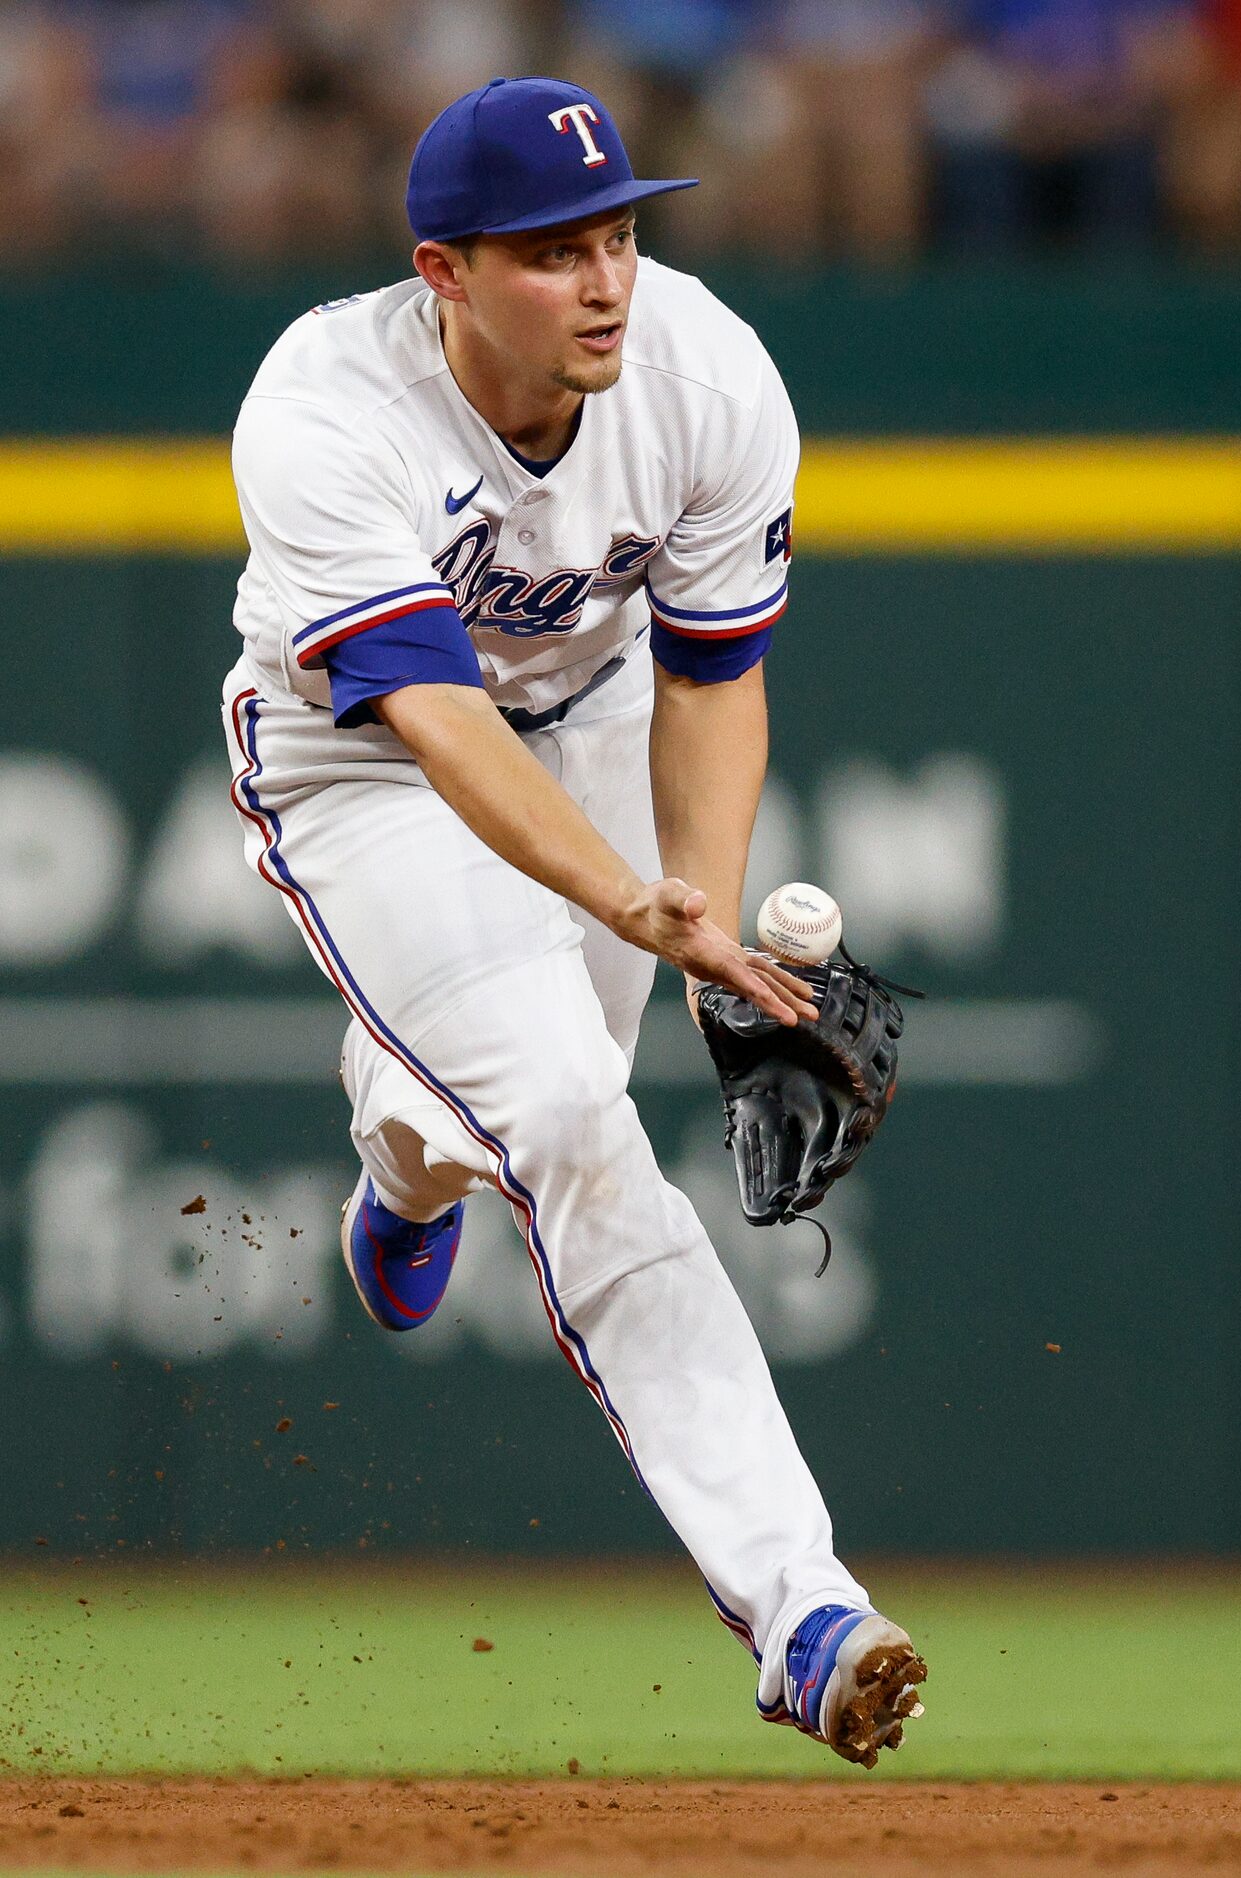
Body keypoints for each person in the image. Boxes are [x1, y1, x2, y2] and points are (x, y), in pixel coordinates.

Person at [222, 74, 926, 1767]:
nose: (605, 279)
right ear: (444, 272)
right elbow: (441, 722)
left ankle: (399, 1171)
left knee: (520, 1107)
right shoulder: (326, 405)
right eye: (550, 251)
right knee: (568, 1119)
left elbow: (714, 675)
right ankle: (801, 1598)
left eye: (618, 232)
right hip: (365, 758)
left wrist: (718, 939)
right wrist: (628, 897)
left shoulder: (705, 371)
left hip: (601, 723)